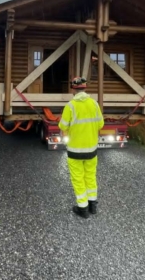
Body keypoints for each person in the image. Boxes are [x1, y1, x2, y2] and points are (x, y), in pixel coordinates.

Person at [59, 76, 104, 218]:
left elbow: (63, 125)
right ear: (85, 88)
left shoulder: (70, 106)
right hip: (91, 150)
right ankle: (93, 206)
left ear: (73, 89)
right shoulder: (94, 104)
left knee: (78, 179)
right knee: (90, 176)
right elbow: (100, 124)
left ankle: (83, 209)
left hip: (75, 151)